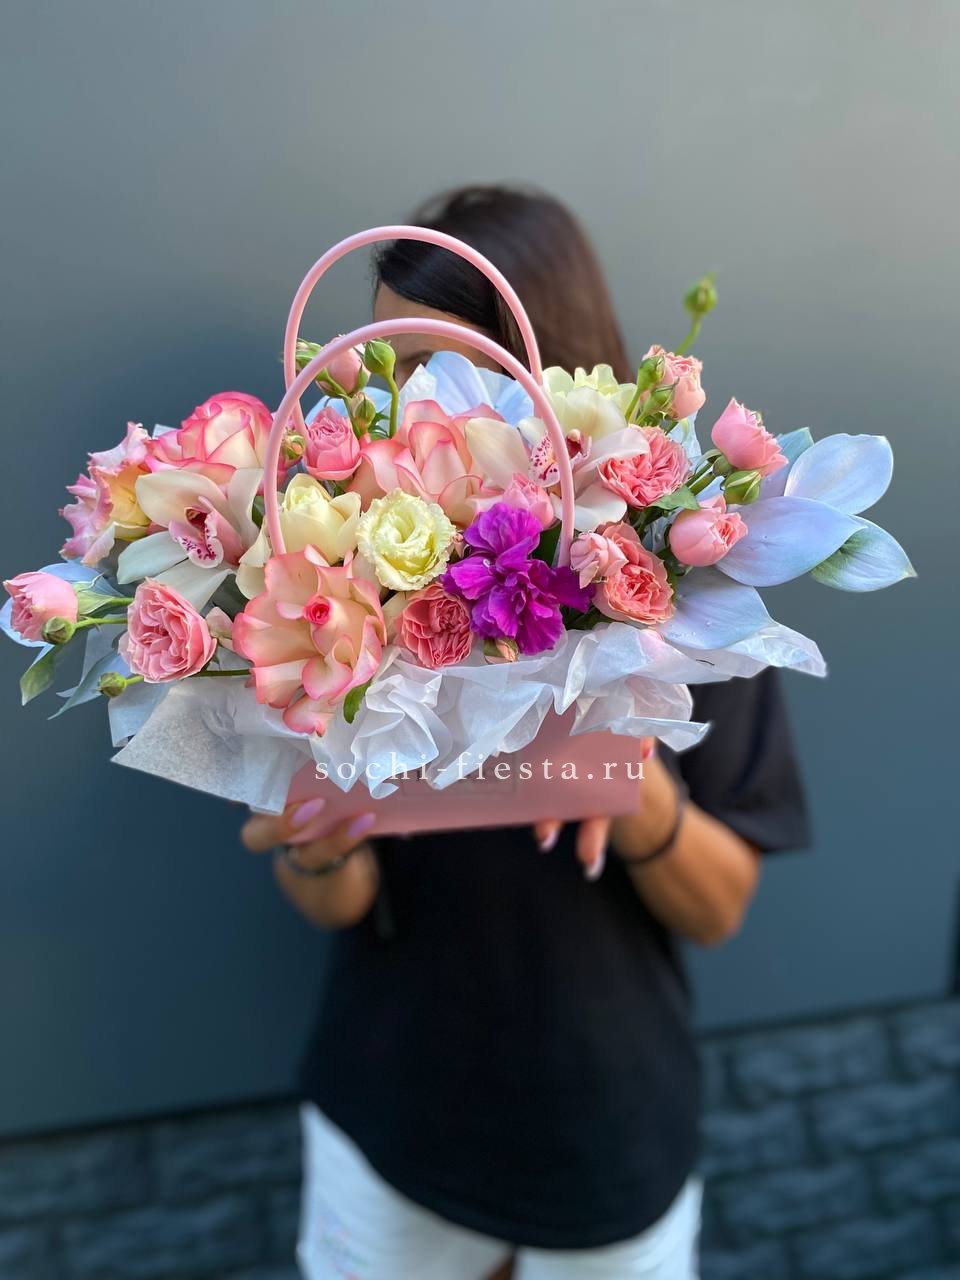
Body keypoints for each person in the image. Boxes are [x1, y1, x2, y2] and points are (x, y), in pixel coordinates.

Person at [242, 185, 811, 1279]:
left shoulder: (676, 591)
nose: (406, 406)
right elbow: (337, 899)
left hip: (602, 1115)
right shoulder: (343, 582)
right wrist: (314, 842)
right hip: (394, 1107)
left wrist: (628, 784)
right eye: (384, 372)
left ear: (543, 370)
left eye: (439, 368)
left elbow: (719, 907)